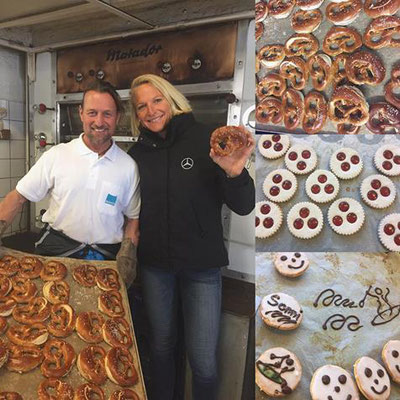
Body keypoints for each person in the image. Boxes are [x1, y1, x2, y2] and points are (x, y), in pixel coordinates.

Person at [128, 74, 255, 400]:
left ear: (171, 99)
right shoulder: (137, 153)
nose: (150, 110)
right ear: (136, 114)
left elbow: (244, 206)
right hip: (155, 266)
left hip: (201, 268)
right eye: (141, 106)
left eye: (156, 100)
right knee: (161, 350)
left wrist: (235, 173)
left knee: (203, 361)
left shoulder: (207, 141)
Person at [0, 80, 140, 286]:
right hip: (57, 254)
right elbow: (18, 196)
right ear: (81, 113)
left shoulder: (128, 166)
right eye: (92, 113)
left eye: (107, 114)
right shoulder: (57, 155)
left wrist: (128, 256)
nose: (99, 121)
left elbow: (133, 219)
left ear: (117, 117)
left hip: (107, 261)